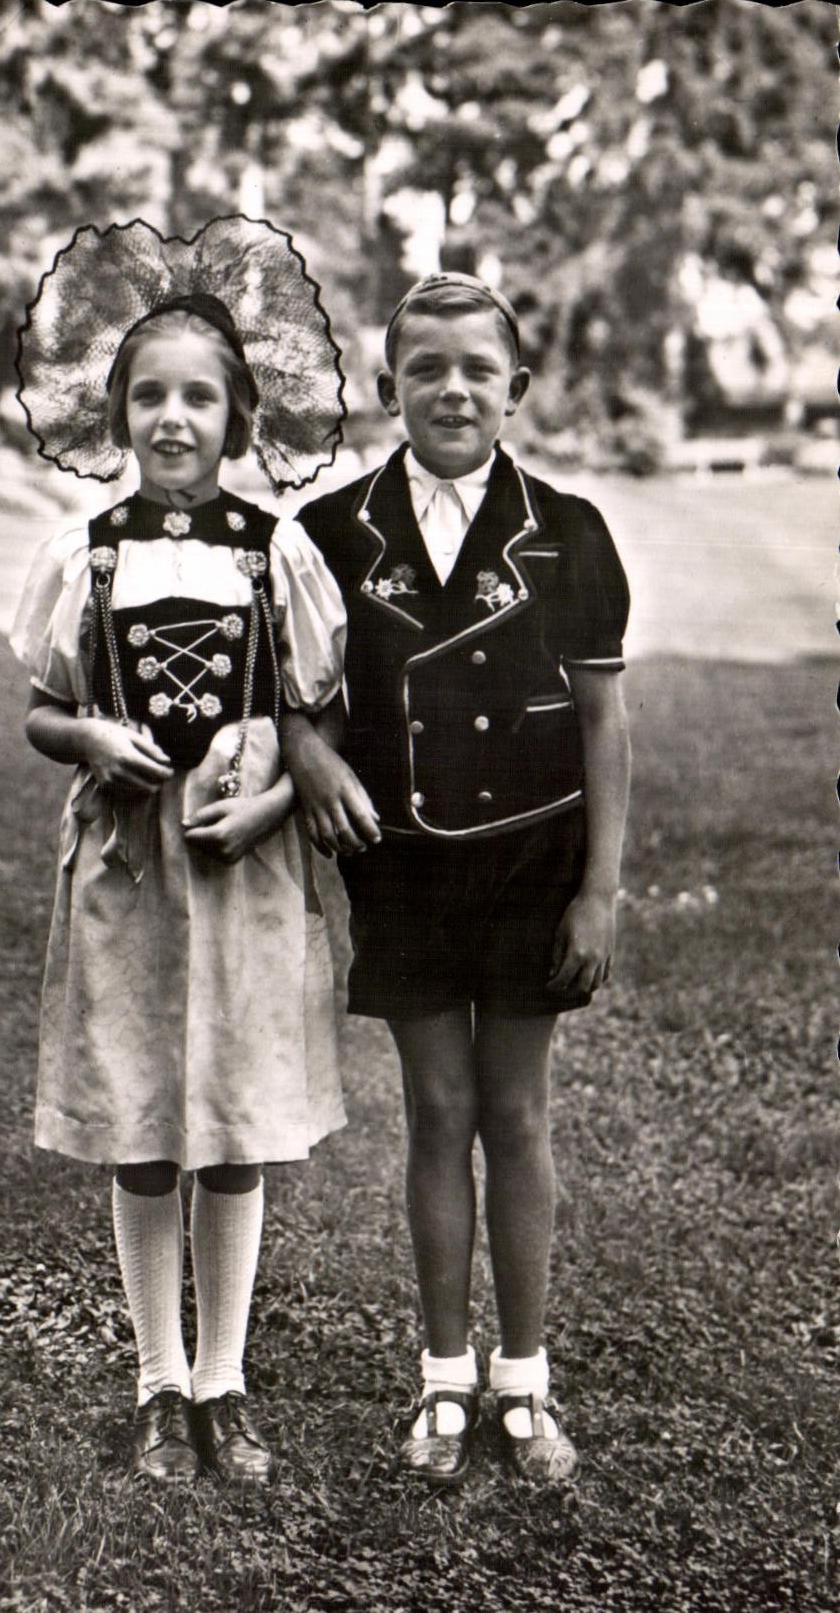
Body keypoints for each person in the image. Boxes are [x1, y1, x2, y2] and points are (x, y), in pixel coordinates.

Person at [11, 218, 349, 1486]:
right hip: (128, 866)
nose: (172, 418)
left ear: (238, 415)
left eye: (198, 396)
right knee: (147, 1112)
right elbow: (42, 707)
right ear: (115, 412)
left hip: (238, 860)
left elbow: (316, 712)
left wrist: (271, 802)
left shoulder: (277, 552)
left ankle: (227, 1377)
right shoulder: (83, 553)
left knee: (236, 1118)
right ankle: (159, 1375)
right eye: (147, 395)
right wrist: (88, 730)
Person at [282, 272, 631, 1486]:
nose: (451, 387)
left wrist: (599, 887)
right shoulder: (329, 533)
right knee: (437, 1112)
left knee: (517, 1114)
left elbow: (602, 719)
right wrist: (307, 749)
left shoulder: (569, 527)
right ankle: (442, 1379)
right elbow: (291, 692)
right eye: (423, 367)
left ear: (516, 391)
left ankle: (524, 1383)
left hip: (536, 858)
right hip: (405, 865)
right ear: (386, 390)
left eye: (476, 368)